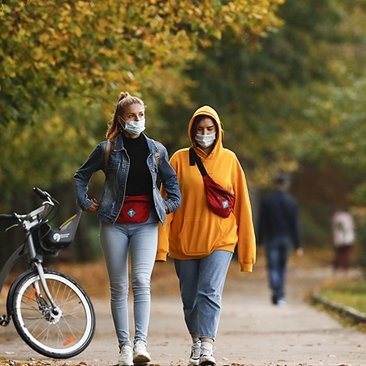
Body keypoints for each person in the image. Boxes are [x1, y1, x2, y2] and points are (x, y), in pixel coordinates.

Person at [74, 92, 181, 366]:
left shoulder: (157, 150)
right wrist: (85, 201)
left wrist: (168, 205)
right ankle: (124, 347)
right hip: (114, 224)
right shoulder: (106, 149)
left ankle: (140, 344)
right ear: (121, 120)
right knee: (119, 286)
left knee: (142, 282)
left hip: (146, 224)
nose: (138, 120)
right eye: (132, 116)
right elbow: (81, 175)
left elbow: (172, 183)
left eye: (141, 115)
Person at [157, 106, 256, 366]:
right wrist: (161, 246)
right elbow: (164, 204)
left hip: (221, 239)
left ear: (218, 131)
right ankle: (197, 342)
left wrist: (247, 255)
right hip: (184, 241)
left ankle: (207, 347)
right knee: (190, 298)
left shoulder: (230, 160)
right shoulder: (178, 160)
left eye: (209, 129)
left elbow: (243, 206)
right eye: (199, 130)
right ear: (192, 131)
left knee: (209, 291)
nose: (204, 134)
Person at [257, 173, 303, 307]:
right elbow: (296, 225)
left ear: (275, 184)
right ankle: (280, 295)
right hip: (286, 239)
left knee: (272, 265)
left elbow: (262, 223)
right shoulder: (292, 202)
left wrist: (259, 242)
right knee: (282, 267)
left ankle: (274, 284)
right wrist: (298, 245)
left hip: (272, 239)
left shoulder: (267, 201)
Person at [332, 208, 355, 273]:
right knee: (346, 254)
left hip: (340, 238)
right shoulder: (348, 216)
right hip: (348, 237)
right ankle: (345, 268)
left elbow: (335, 229)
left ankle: (337, 268)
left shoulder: (336, 216)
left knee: (339, 254)